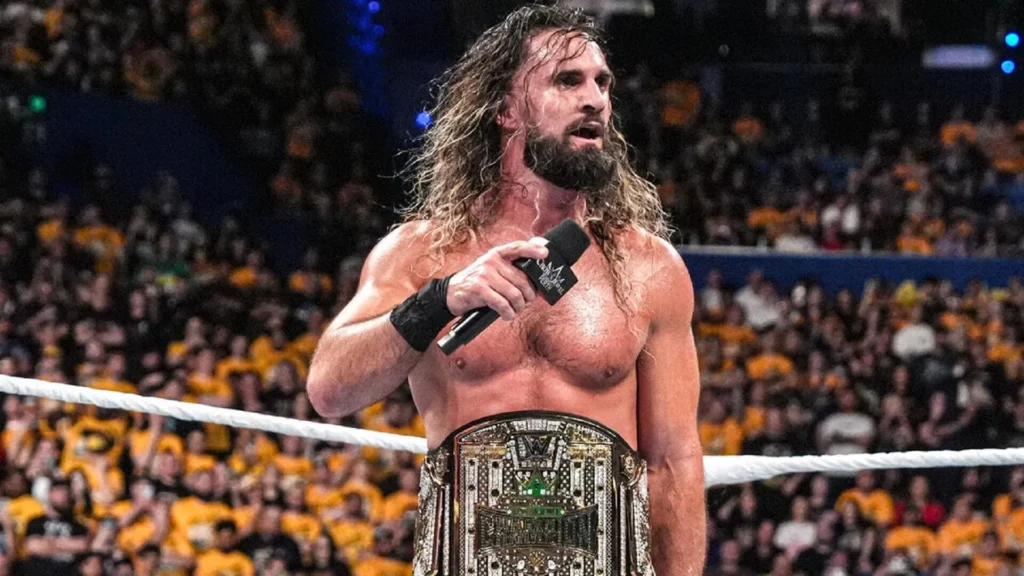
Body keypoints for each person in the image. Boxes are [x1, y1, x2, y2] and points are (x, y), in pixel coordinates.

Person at [307, 5, 705, 576]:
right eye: (567, 80)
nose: (594, 99)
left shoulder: (648, 267)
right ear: (505, 109)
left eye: (602, 83)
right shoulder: (422, 252)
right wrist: (439, 300)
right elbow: (329, 390)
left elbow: (672, 463)